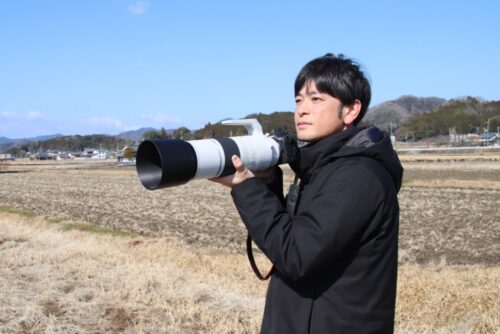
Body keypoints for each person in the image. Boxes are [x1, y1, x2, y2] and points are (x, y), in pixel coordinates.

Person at [212, 53, 403, 333]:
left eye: (317, 99)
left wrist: (247, 189)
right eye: (299, 100)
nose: (302, 109)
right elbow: (292, 237)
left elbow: (298, 255)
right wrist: (266, 181)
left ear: (351, 110)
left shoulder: (357, 176)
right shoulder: (324, 169)